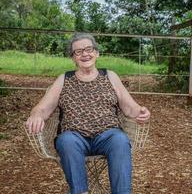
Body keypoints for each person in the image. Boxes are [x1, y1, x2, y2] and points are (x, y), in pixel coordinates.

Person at [25, 33, 151, 194]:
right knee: (66, 140)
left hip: (108, 136)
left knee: (120, 139)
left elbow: (130, 108)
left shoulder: (110, 76)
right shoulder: (64, 79)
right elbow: (42, 108)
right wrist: (35, 115)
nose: (84, 54)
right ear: (73, 58)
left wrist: (142, 112)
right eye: (78, 51)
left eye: (89, 49)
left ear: (97, 53)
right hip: (75, 138)